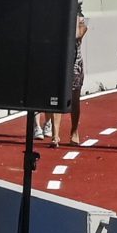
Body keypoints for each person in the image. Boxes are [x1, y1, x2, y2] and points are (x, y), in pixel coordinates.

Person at [39, 14, 88, 147]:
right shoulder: (57, 16)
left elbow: (78, 34)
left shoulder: (80, 19)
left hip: (74, 64)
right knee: (56, 97)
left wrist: (74, 20)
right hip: (57, 61)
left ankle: (74, 131)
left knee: (74, 99)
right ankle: (55, 135)